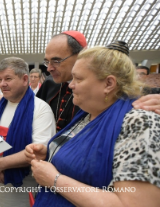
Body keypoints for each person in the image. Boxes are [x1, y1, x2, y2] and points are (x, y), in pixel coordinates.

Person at [25, 41, 160, 207]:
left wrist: (54, 180)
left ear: (109, 84)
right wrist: (52, 152)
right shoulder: (88, 113)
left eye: (78, 79)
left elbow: (134, 203)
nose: (71, 84)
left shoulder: (140, 121)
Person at [37, 30, 160, 131]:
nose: (49, 68)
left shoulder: (105, 87)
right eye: (47, 62)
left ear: (81, 54)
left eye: (56, 61)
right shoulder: (49, 83)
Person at [0, 57, 56, 207]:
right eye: (0, 79)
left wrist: (0, 165)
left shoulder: (41, 109)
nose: (2, 84)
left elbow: (38, 152)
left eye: (8, 78)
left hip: (21, 192)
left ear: (24, 79)